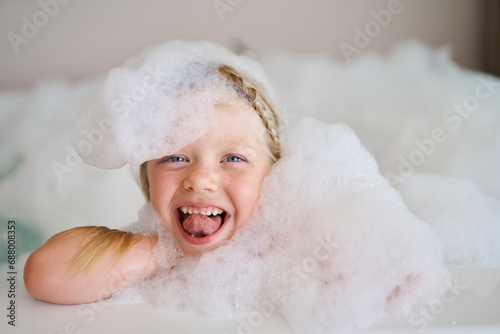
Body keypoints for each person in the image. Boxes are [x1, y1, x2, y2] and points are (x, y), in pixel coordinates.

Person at [23, 42, 281, 305]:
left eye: (233, 158)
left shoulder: (295, 240)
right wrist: (169, 250)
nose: (200, 180)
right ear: (148, 178)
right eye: (175, 158)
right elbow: (43, 273)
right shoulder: (155, 245)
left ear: (275, 173)